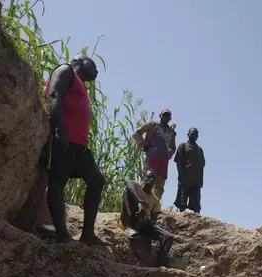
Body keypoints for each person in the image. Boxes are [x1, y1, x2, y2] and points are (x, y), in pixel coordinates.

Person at [43, 55, 106, 245]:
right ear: (78, 61)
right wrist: (58, 131)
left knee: (96, 180)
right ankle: (62, 234)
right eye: (93, 64)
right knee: (58, 181)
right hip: (64, 140)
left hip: (80, 146)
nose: (96, 70)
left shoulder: (81, 85)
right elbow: (54, 95)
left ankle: (87, 234)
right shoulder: (66, 70)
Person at [118, 170, 175, 266]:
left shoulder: (155, 200)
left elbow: (153, 221)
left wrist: (146, 220)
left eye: (153, 178)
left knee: (168, 237)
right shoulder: (135, 187)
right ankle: (130, 227)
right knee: (128, 191)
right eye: (148, 177)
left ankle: (160, 262)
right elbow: (127, 182)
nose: (150, 180)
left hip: (141, 223)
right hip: (128, 218)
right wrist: (139, 202)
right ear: (143, 177)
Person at [132, 109, 177, 200]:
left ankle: (154, 205)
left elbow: (173, 147)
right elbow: (136, 133)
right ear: (160, 116)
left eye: (168, 116)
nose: (166, 117)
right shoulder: (152, 125)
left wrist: (169, 154)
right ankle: (141, 202)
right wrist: (143, 143)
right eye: (164, 115)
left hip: (164, 160)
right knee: (147, 181)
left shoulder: (171, 132)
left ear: (170, 119)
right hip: (152, 157)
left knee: (160, 185)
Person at [174, 128, 205, 214]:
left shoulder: (199, 149)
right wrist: (180, 174)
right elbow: (178, 161)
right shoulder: (183, 146)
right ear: (188, 134)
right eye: (192, 134)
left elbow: (202, 163)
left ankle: (197, 214)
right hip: (186, 176)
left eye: (196, 134)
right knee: (183, 197)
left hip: (196, 179)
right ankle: (181, 213)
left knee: (196, 198)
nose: (194, 136)